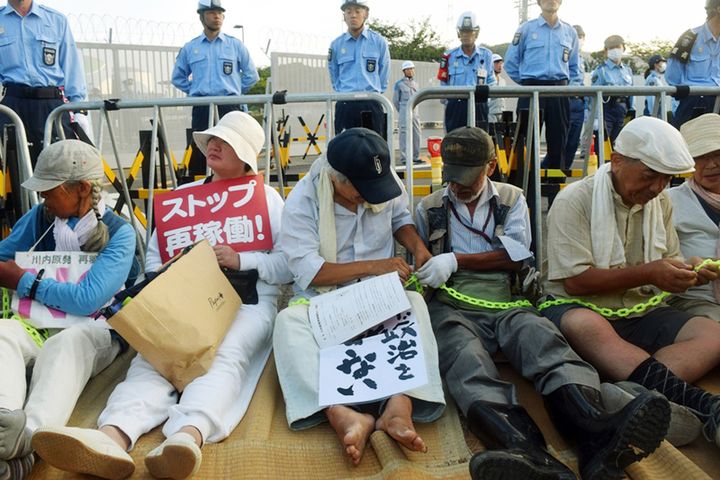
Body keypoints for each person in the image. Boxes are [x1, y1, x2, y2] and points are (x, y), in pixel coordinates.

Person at [31, 112, 291, 480]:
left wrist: (241, 258)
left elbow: (287, 265)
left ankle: (187, 437)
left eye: (227, 142)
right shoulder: (181, 199)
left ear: (247, 156)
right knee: (153, 357)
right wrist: (173, 272)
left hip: (247, 300)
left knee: (224, 355)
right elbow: (154, 257)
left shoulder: (269, 200)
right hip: (182, 297)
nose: (214, 146)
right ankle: (112, 437)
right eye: (211, 140)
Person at [413, 126, 670, 480]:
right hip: (452, 304)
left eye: (468, 178)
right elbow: (424, 261)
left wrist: (456, 259)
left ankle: (594, 431)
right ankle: (524, 451)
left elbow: (517, 255)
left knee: (542, 339)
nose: (458, 187)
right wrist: (426, 268)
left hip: (507, 298)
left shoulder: (511, 198)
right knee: (463, 357)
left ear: (491, 166)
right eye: (453, 177)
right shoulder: (428, 208)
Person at [541, 116, 720, 450]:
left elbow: (669, 259)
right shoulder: (573, 201)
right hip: (580, 306)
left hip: (641, 308)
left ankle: (636, 398)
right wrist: (650, 273)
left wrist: (689, 270)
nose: (656, 188)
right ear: (617, 161)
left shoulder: (661, 202)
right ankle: (707, 406)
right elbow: (577, 283)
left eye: (666, 180)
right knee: (588, 326)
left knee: (713, 334)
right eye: (650, 176)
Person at [273, 127, 445, 465]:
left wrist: (419, 249)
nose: (370, 198)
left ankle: (400, 404)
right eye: (361, 192)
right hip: (325, 299)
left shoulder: (379, 175)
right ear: (338, 180)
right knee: (287, 323)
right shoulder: (302, 202)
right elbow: (309, 271)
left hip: (378, 297)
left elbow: (400, 218)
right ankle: (342, 413)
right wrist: (373, 266)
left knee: (415, 306)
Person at [0, 140, 137, 479]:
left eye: (50, 190)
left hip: (96, 329)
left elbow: (88, 299)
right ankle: (3, 421)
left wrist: (25, 282)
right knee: (2, 331)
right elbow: (3, 256)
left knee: (67, 344)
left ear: (82, 189)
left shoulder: (121, 234)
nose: (42, 197)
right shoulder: (40, 216)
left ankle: (31, 439)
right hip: (36, 322)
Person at [171, 0, 259, 177]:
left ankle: (239, 189)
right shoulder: (191, 48)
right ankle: (203, 193)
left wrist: (234, 92)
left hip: (229, 107)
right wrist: (196, 90)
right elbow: (177, 77)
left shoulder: (235, 45)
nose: (217, 16)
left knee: (235, 150)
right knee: (202, 152)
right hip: (203, 107)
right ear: (202, 17)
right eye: (211, 12)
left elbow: (252, 75)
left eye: (219, 13)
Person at [0, 0, 87, 164]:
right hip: (13, 105)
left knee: (59, 166)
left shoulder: (56, 20)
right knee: (17, 168)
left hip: (50, 104)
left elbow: (71, 65)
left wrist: (79, 109)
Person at [504, 0, 580, 170]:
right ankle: (525, 189)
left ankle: (555, 192)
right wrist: (527, 82)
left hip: (559, 92)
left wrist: (567, 86)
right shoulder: (526, 29)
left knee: (559, 143)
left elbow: (574, 67)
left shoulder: (569, 32)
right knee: (525, 142)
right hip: (531, 90)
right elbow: (510, 62)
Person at [667, 113, 720, 322]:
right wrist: (688, 268)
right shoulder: (669, 202)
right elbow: (657, 260)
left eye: (717, 154)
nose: (711, 164)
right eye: (700, 157)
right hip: (696, 301)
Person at [328, 0, 390, 138]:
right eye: (348, 11)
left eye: (357, 11)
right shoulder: (336, 45)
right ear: (344, 16)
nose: (353, 15)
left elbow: (384, 72)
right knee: (345, 149)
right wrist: (343, 92)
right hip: (346, 104)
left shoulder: (379, 41)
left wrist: (375, 91)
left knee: (374, 150)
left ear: (366, 14)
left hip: (371, 102)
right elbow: (334, 73)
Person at [666, 0, 720, 129]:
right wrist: (689, 93)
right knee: (686, 145)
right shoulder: (690, 38)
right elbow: (672, 76)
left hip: (718, 100)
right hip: (694, 102)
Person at [438, 11, 495, 133]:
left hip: (479, 104)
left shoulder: (486, 55)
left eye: (469, 32)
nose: (465, 35)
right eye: (462, 31)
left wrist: (484, 100)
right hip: (456, 106)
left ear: (477, 33)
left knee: (480, 144)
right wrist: (451, 103)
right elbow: (443, 85)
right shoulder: (448, 56)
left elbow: (491, 81)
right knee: (454, 144)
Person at [591, 35, 635, 146]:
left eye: (618, 47)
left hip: (623, 111)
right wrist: (596, 118)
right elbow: (594, 96)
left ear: (623, 48)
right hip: (607, 111)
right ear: (606, 51)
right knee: (603, 145)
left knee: (622, 147)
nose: (615, 50)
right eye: (611, 48)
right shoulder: (601, 71)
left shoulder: (627, 70)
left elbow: (632, 92)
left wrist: (632, 109)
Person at [564, 25, 587, 165]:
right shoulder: (564, 55)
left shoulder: (581, 59)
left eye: (581, 37)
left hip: (579, 102)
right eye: (577, 37)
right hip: (566, 99)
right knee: (562, 142)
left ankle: (564, 170)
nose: (579, 40)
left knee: (573, 143)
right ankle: (552, 173)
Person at [392, 60, 422, 165]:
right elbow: (395, 101)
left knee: (417, 133)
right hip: (404, 111)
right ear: (404, 71)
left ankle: (416, 156)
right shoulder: (398, 84)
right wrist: (402, 111)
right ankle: (404, 158)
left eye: (412, 68)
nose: (411, 71)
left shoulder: (416, 84)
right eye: (408, 69)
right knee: (404, 135)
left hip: (415, 112)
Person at [488, 54, 506, 124]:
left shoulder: (503, 81)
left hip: (502, 112)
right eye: (497, 63)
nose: (500, 65)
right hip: (490, 112)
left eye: (501, 63)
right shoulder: (488, 80)